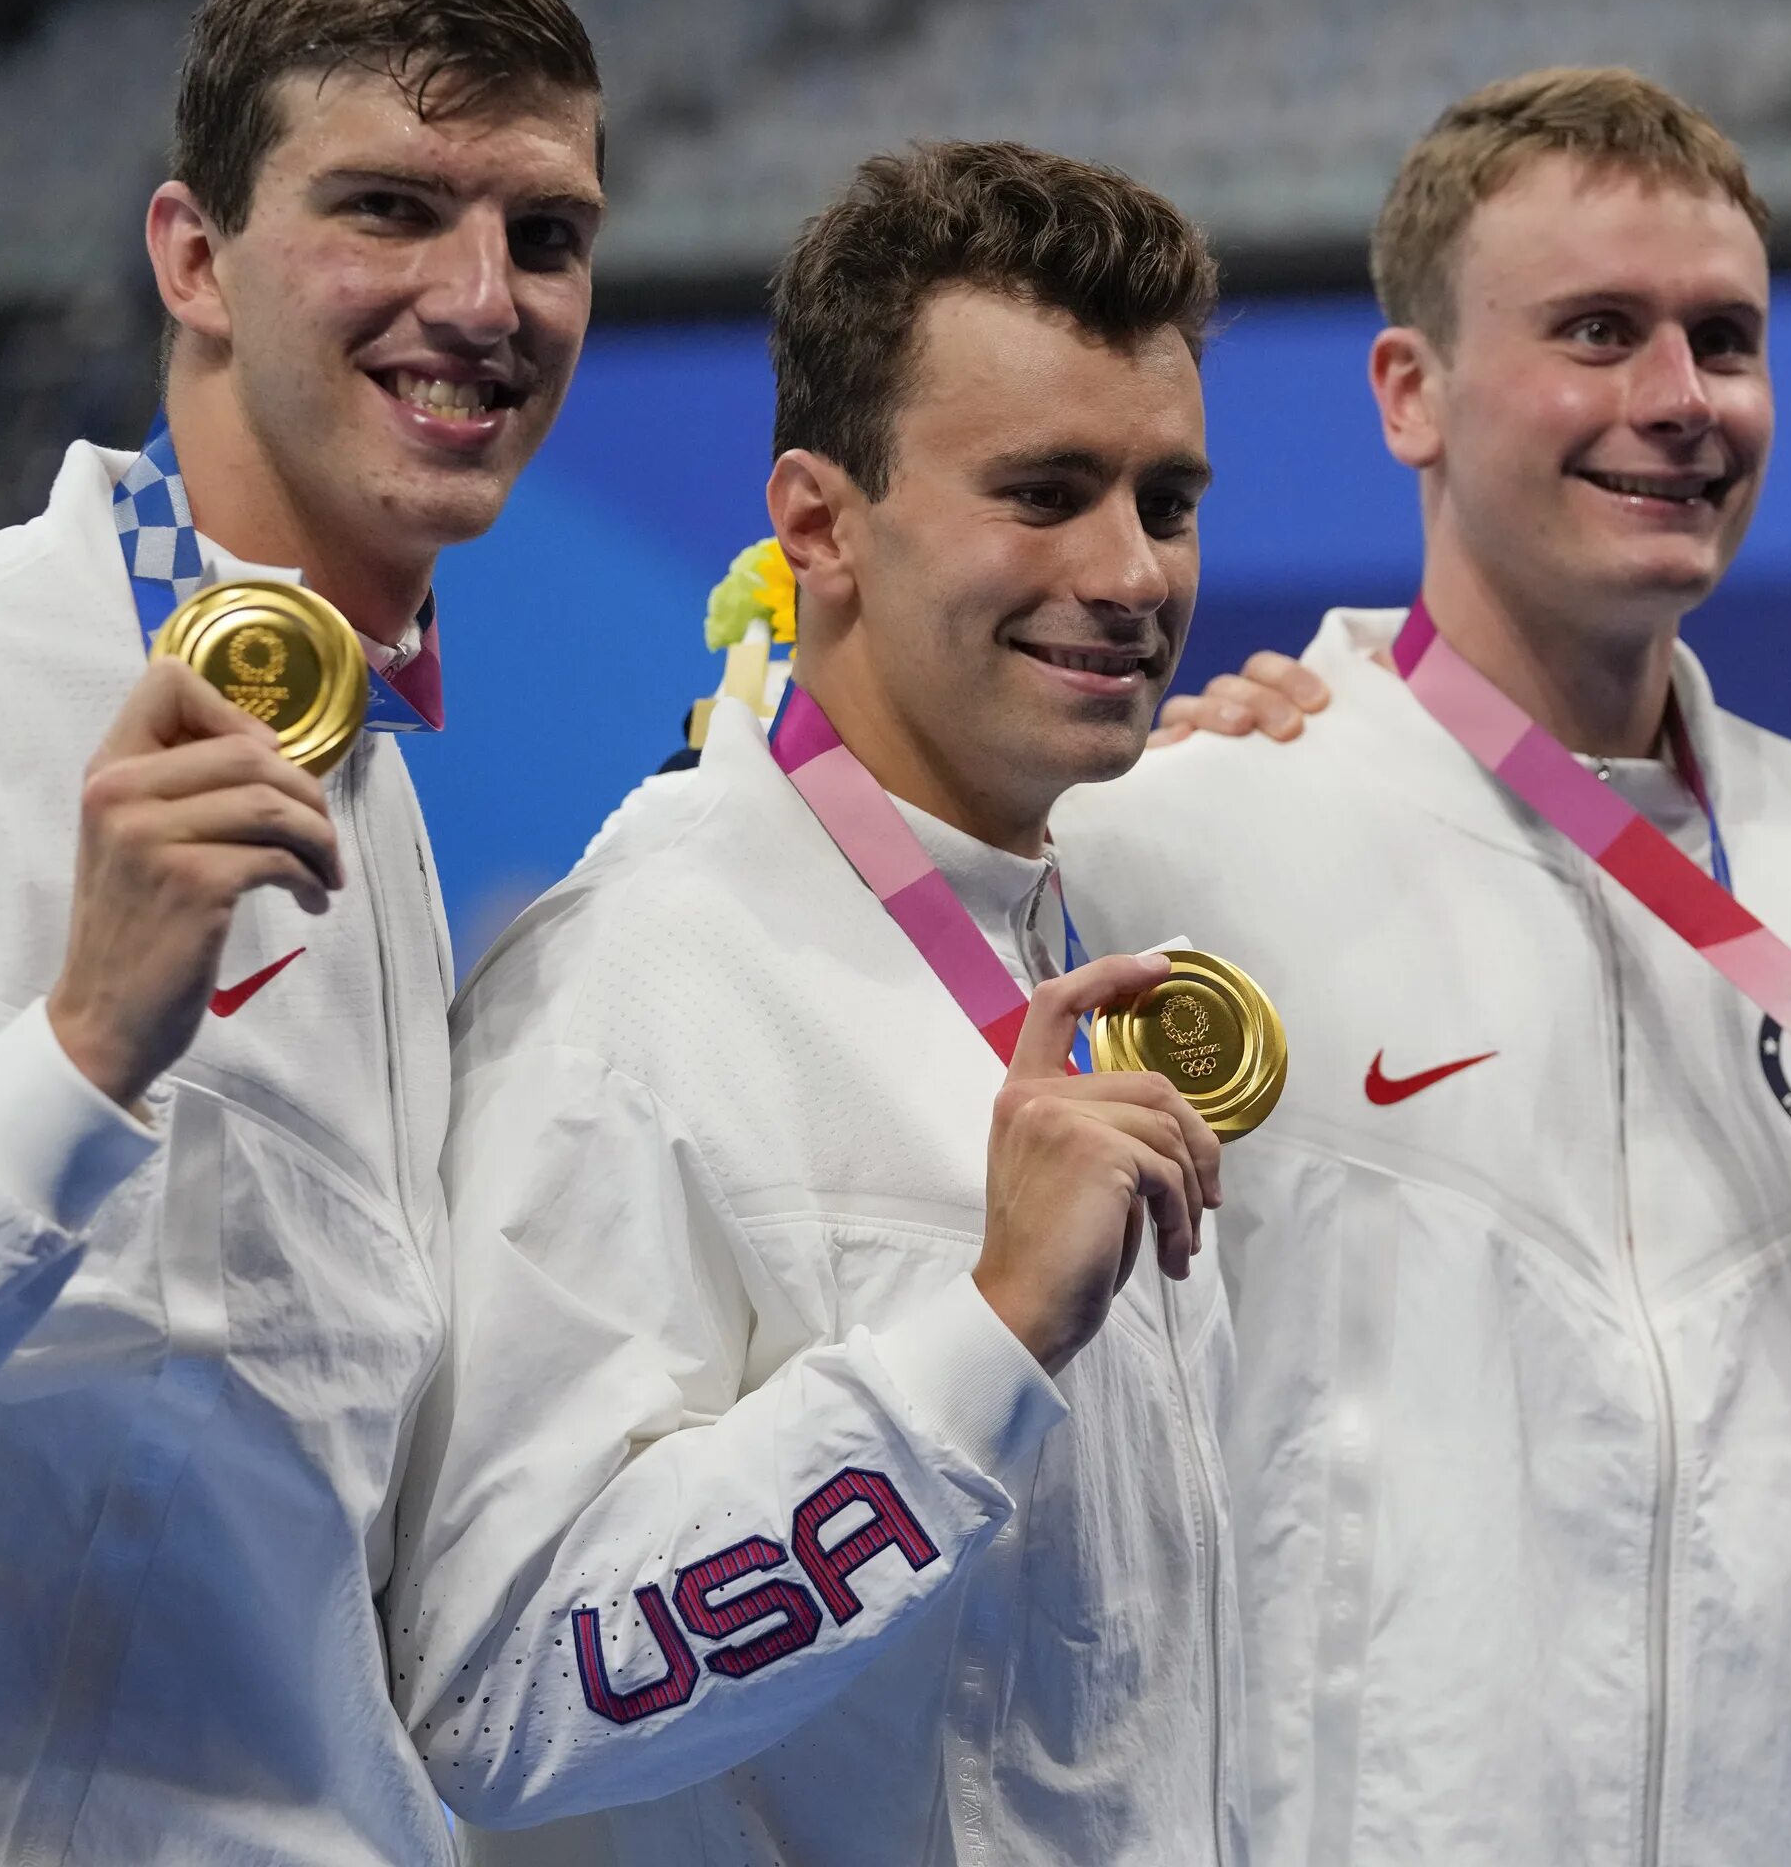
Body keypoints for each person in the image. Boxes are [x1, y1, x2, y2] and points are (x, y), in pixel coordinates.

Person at [1058, 66, 1791, 1867]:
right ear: (1408, 395)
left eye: (1723, 340)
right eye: (1597, 332)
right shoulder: (1188, 839)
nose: (1678, 403)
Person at [0, 0, 602, 1862]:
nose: (484, 298)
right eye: (390, 207)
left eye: (544, 234)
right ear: (191, 255)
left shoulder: (369, 787)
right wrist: (74, 1058)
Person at [389, 141, 1241, 1864]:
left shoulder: (1069, 933)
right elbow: (494, 1694)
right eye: (1044, 491)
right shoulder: (631, 978)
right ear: (816, 523)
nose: (1134, 573)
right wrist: (983, 1336)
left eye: (1165, 501)